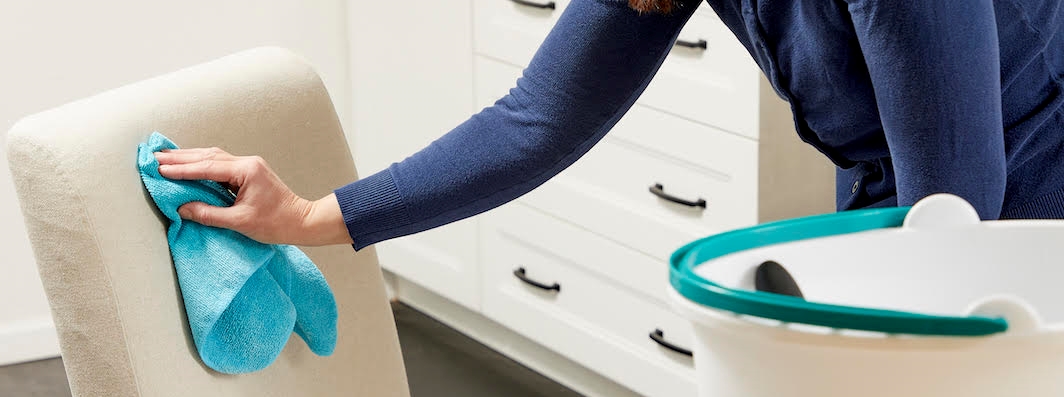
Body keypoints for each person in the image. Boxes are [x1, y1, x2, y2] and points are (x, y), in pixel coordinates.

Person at [154, 0, 1064, 251]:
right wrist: (313, 217)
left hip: (1023, 184)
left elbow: (954, 210)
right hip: (908, 192)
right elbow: (536, 121)